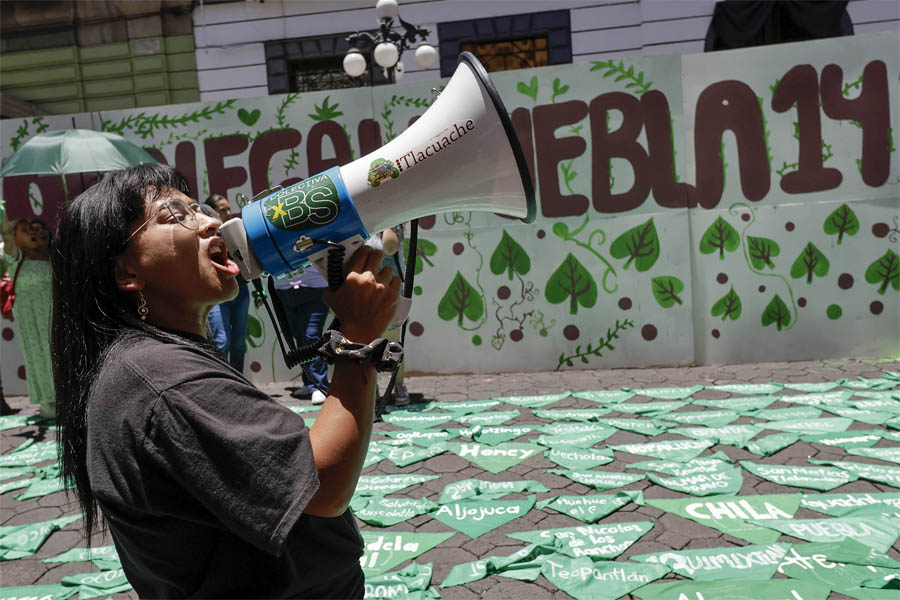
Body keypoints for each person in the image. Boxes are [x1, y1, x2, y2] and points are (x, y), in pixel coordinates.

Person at [51, 164, 400, 598]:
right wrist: (357, 339)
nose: (211, 221)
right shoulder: (164, 380)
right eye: (173, 215)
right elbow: (322, 485)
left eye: (196, 208)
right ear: (127, 273)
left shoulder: (148, 363)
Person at [1, 214, 55, 418]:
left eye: (31, 228)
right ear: (14, 236)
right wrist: (4, 219)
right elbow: (6, 233)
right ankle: (47, 401)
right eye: (25, 230)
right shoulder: (15, 255)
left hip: (52, 313)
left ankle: (64, 397)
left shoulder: (47, 253)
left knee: (56, 353)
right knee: (38, 355)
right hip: (30, 315)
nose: (31, 232)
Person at [205, 193, 250, 372]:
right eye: (223, 210)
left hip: (240, 290)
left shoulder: (236, 230)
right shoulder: (206, 234)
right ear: (213, 212)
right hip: (216, 293)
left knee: (238, 343)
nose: (229, 213)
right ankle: (222, 382)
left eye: (229, 208)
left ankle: (238, 381)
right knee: (222, 341)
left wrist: (260, 291)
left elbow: (248, 261)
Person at [365, 225, 409, 406]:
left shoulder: (393, 226)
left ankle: (398, 385)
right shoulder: (363, 227)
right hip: (369, 292)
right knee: (368, 343)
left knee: (393, 343)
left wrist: (388, 223)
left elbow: (390, 247)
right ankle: (371, 389)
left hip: (391, 291)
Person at [273, 267, 331, 405]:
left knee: (312, 337)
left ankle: (319, 386)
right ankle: (309, 383)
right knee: (298, 336)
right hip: (284, 290)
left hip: (315, 287)